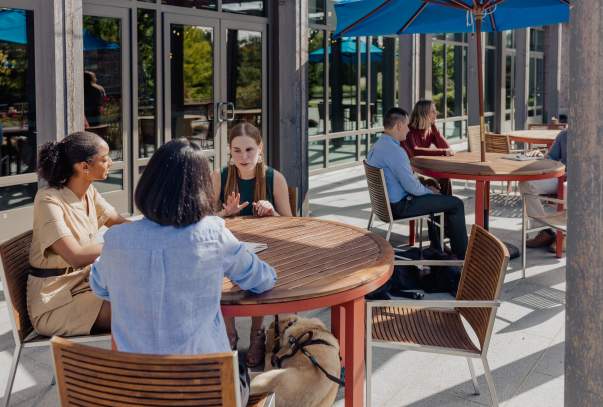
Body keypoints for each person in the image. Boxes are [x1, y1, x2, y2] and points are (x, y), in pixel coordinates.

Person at [90, 139, 276, 406]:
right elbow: (262, 279)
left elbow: (99, 286)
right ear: (200, 189)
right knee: (263, 383)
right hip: (206, 391)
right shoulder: (213, 232)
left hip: (135, 392)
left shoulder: (117, 239)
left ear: (148, 184)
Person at [27, 131, 128, 337]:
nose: (110, 162)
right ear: (84, 167)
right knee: (138, 313)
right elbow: (75, 255)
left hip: (84, 286)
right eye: (104, 158)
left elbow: (121, 224)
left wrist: (158, 229)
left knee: (150, 297)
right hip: (55, 302)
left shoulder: (89, 192)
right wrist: (121, 243)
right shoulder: (48, 200)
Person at [211, 122, 292, 367]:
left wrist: (273, 213)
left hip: (266, 247)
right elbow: (202, 221)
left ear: (260, 149)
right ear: (229, 151)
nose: (243, 157)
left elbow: (292, 223)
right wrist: (225, 213)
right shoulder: (219, 176)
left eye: (249, 150)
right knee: (214, 270)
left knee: (262, 274)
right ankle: (229, 332)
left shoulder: (274, 177)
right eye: (237, 151)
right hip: (229, 247)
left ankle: (257, 334)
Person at [367, 107, 468, 259]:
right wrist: (429, 191)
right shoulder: (396, 151)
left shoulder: (377, 146)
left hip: (384, 206)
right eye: (406, 125)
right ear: (398, 126)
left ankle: (437, 247)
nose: (408, 130)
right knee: (455, 204)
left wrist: (426, 187)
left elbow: (405, 181)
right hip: (400, 207)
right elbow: (412, 187)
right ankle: (463, 257)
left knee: (435, 196)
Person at [519, 129, 568, 251]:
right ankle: (544, 231)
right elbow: (551, 158)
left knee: (570, 188)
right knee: (526, 184)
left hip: (587, 181)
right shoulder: (564, 135)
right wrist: (541, 156)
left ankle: (567, 235)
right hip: (562, 177)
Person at [405, 100, 454, 195]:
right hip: (410, 173)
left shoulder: (430, 130)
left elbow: (446, 147)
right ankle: (445, 205)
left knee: (445, 179)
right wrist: (443, 152)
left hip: (423, 169)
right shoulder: (409, 130)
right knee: (434, 182)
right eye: (433, 111)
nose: (436, 113)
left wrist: (435, 128)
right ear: (423, 114)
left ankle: (447, 206)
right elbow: (415, 151)